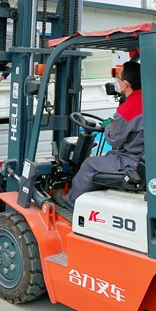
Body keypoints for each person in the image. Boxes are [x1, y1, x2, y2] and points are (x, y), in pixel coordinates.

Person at [55, 61, 146, 210]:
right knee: (107, 156)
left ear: (125, 85)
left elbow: (114, 140)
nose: (117, 81)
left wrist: (108, 126)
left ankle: (71, 201)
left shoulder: (128, 110)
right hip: (145, 157)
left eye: (119, 78)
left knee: (90, 164)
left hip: (132, 161)